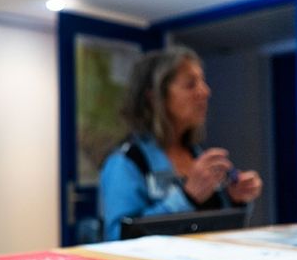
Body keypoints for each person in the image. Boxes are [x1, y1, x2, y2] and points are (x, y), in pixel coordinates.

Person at [99, 46, 262, 241]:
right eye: (191, 84)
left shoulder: (196, 154)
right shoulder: (125, 162)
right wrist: (187, 198)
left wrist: (235, 199)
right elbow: (118, 238)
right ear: (154, 96)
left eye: (202, 82)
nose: (205, 92)